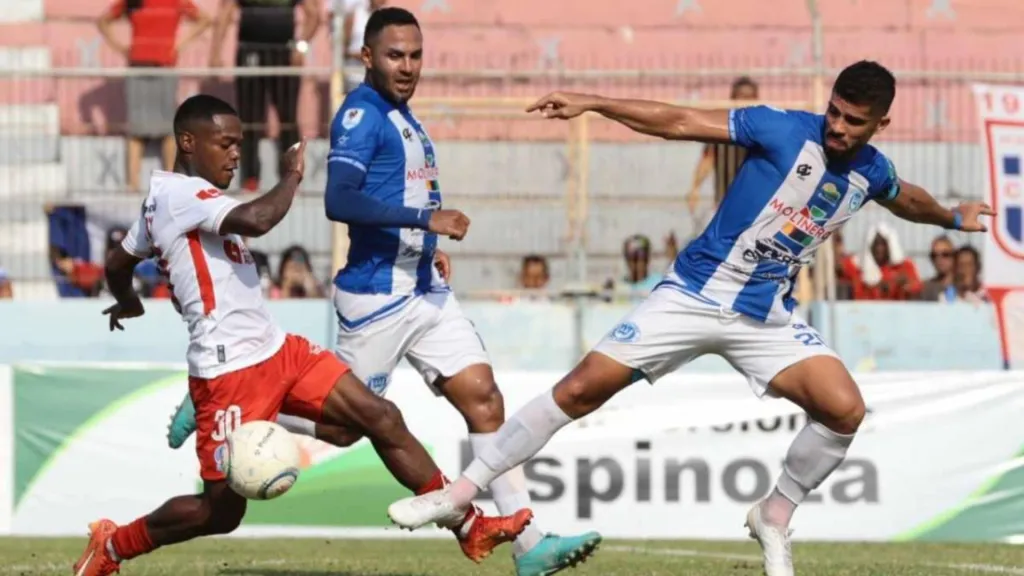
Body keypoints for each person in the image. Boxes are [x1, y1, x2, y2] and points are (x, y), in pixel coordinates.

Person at [384, 61, 996, 576]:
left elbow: (903, 195)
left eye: (853, 121)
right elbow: (678, 121)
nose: (837, 127)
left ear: (880, 125)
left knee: (844, 410)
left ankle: (775, 515)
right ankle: (459, 495)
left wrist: (951, 216)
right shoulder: (783, 129)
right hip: (694, 294)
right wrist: (595, 102)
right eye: (834, 112)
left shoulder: (871, 170)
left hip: (764, 316)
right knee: (580, 389)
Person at [164, 9, 601, 574]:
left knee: (484, 399)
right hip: (377, 297)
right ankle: (221, 400)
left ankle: (529, 544)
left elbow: (400, 189)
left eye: (416, 55)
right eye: (395, 55)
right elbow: (339, 200)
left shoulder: (402, 115)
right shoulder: (359, 116)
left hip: (424, 288)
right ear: (367, 57)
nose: (408, 66)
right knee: (348, 427)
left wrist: (424, 245)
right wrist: (425, 221)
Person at [71, 94, 531, 576]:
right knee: (220, 513)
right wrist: (292, 174)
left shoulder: (166, 200)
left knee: (378, 416)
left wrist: (127, 299)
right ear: (188, 142)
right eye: (225, 144)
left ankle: (469, 526)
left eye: (239, 144)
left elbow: (119, 261)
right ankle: (114, 545)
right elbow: (259, 220)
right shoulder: (178, 196)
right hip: (228, 372)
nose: (235, 154)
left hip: (278, 350)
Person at [97, 0, 212, 193]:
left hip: (165, 66)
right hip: (137, 67)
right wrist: (121, 48)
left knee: (168, 127)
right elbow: (103, 21)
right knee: (136, 128)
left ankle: (171, 183)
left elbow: (204, 19)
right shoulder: (132, 1)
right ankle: (132, 185)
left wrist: (180, 44)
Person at [209, 0, 321, 193]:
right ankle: (250, 178)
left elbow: (314, 16)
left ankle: (291, 176)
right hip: (249, 52)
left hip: (284, 54)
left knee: (288, 118)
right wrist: (215, 53)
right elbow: (224, 15)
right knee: (250, 119)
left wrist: (300, 46)